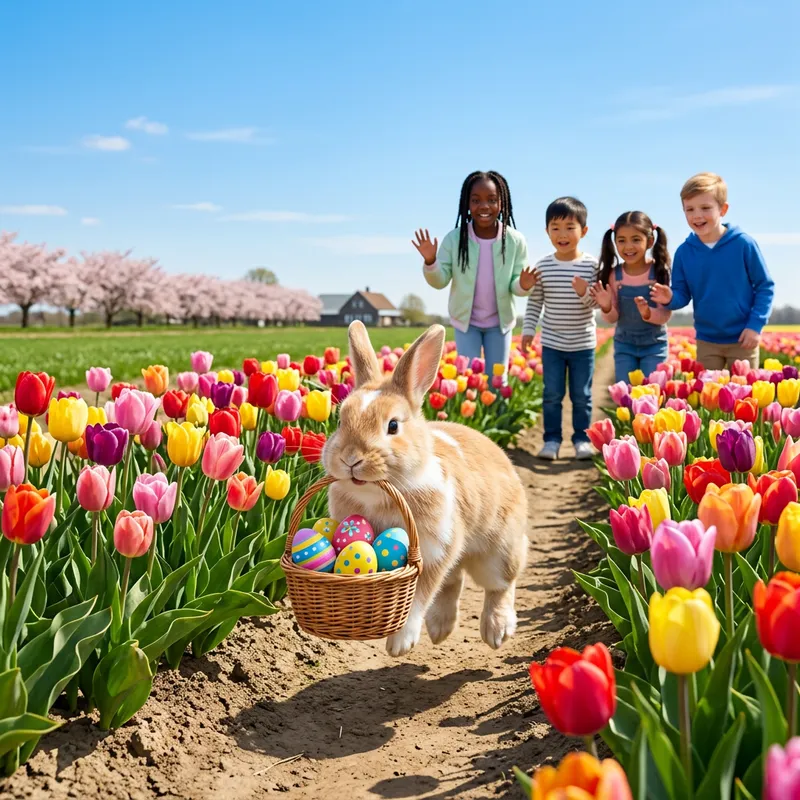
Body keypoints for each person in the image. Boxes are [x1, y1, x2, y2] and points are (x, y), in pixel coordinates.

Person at [413, 171, 536, 379]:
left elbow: (516, 284)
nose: (484, 206)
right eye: (476, 200)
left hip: (500, 323)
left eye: (492, 200)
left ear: (502, 203)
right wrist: (431, 261)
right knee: (467, 378)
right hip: (466, 323)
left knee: (498, 379)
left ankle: (497, 411)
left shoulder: (515, 241)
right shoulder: (454, 239)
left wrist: (523, 285)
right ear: (467, 204)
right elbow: (440, 280)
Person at [651, 172, 774, 371]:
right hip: (707, 340)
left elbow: (765, 287)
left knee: (745, 396)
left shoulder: (743, 244)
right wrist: (670, 297)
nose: (697, 215)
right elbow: (682, 295)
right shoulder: (684, 252)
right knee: (709, 397)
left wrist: (755, 326)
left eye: (705, 208)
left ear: (723, 209)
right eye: (689, 209)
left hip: (743, 338)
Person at [522, 197, 598, 461]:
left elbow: (597, 304)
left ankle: (582, 440)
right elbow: (535, 302)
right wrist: (528, 330)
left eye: (570, 227)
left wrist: (584, 293)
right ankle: (552, 440)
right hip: (553, 344)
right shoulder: (543, 266)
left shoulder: (591, 265)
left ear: (584, 231)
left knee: (582, 396)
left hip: (583, 344)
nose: (562, 234)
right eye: (555, 228)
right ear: (547, 231)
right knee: (552, 395)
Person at [590, 211, 671, 383]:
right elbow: (612, 318)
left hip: (654, 344)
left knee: (653, 394)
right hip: (624, 345)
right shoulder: (614, 275)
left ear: (649, 241)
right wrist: (606, 306)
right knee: (625, 396)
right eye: (622, 240)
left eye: (636, 239)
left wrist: (647, 313)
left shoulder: (659, 272)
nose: (628, 247)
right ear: (614, 242)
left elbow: (665, 314)